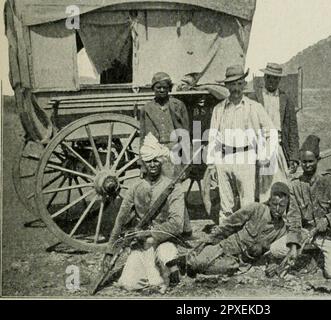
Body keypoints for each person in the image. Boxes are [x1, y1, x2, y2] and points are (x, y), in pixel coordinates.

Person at [103, 133, 192, 292]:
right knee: (129, 284)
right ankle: (155, 272)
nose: (153, 164)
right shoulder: (135, 188)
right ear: (143, 161)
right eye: (149, 160)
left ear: (161, 160)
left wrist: (150, 235)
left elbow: (177, 224)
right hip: (142, 245)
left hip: (165, 241)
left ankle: (169, 271)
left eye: (156, 160)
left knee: (166, 255)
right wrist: (110, 252)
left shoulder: (174, 189)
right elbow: (120, 221)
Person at [271, 135, 331, 280]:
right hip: (306, 234)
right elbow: (294, 218)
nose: (307, 165)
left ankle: (323, 254)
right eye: (304, 162)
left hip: (330, 236)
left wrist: (328, 221)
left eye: (310, 161)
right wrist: (294, 246)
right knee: (275, 250)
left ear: (318, 160)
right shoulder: (295, 185)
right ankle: (310, 254)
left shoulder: (330, 181)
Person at [206, 64, 278, 222]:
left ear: (244, 84)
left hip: (246, 157)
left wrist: (264, 156)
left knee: (247, 203)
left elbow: (271, 132)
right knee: (226, 205)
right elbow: (213, 136)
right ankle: (225, 237)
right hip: (224, 159)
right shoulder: (219, 109)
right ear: (226, 86)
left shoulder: (254, 107)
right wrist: (212, 164)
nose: (236, 88)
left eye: (239, 83)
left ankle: (248, 237)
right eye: (232, 84)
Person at [177, 182, 292, 276]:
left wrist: (274, 264)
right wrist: (209, 240)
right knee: (198, 261)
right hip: (225, 246)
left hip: (240, 262)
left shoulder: (281, 230)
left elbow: (272, 252)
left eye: (282, 206)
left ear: (287, 206)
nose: (277, 209)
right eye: (274, 204)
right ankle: (186, 262)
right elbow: (230, 224)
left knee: (218, 269)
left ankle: (191, 266)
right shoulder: (257, 209)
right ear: (269, 201)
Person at [249, 62, 300, 202]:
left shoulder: (285, 99)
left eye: (276, 78)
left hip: (277, 147)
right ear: (265, 77)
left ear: (280, 80)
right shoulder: (254, 98)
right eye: (270, 77)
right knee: (259, 185)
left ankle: (278, 214)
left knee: (280, 182)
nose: (272, 81)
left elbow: (292, 129)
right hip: (259, 146)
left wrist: (294, 156)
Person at [140, 72, 190, 178]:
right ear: (153, 88)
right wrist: (143, 165)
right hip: (154, 152)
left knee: (175, 184)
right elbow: (143, 137)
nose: (162, 90)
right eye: (158, 87)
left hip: (174, 151)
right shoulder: (147, 108)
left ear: (169, 88)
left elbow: (185, 134)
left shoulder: (178, 105)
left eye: (165, 87)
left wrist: (186, 162)